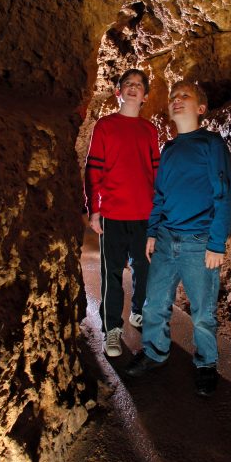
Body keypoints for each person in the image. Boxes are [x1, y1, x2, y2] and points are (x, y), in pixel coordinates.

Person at [125, 80, 231, 396]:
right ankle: (155, 352)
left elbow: (223, 195)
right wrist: (152, 231)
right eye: (173, 96)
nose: (176, 100)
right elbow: (159, 195)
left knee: (202, 313)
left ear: (200, 109)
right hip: (165, 239)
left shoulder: (211, 144)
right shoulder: (168, 149)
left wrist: (217, 243)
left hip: (199, 244)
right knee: (154, 303)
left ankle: (205, 363)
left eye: (184, 95)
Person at [84, 68, 160, 358]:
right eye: (127, 83)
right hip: (113, 214)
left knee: (144, 268)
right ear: (118, 91)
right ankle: (112, 330)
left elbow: (155, 172)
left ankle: (138, 311)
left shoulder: (149, 130)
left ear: (145, 96)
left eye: (138, 85)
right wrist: (95, 209)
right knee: (111, 273)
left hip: (144, 213)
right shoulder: (105, 126)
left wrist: (158, 212)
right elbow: (94, 171)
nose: (133, 87)